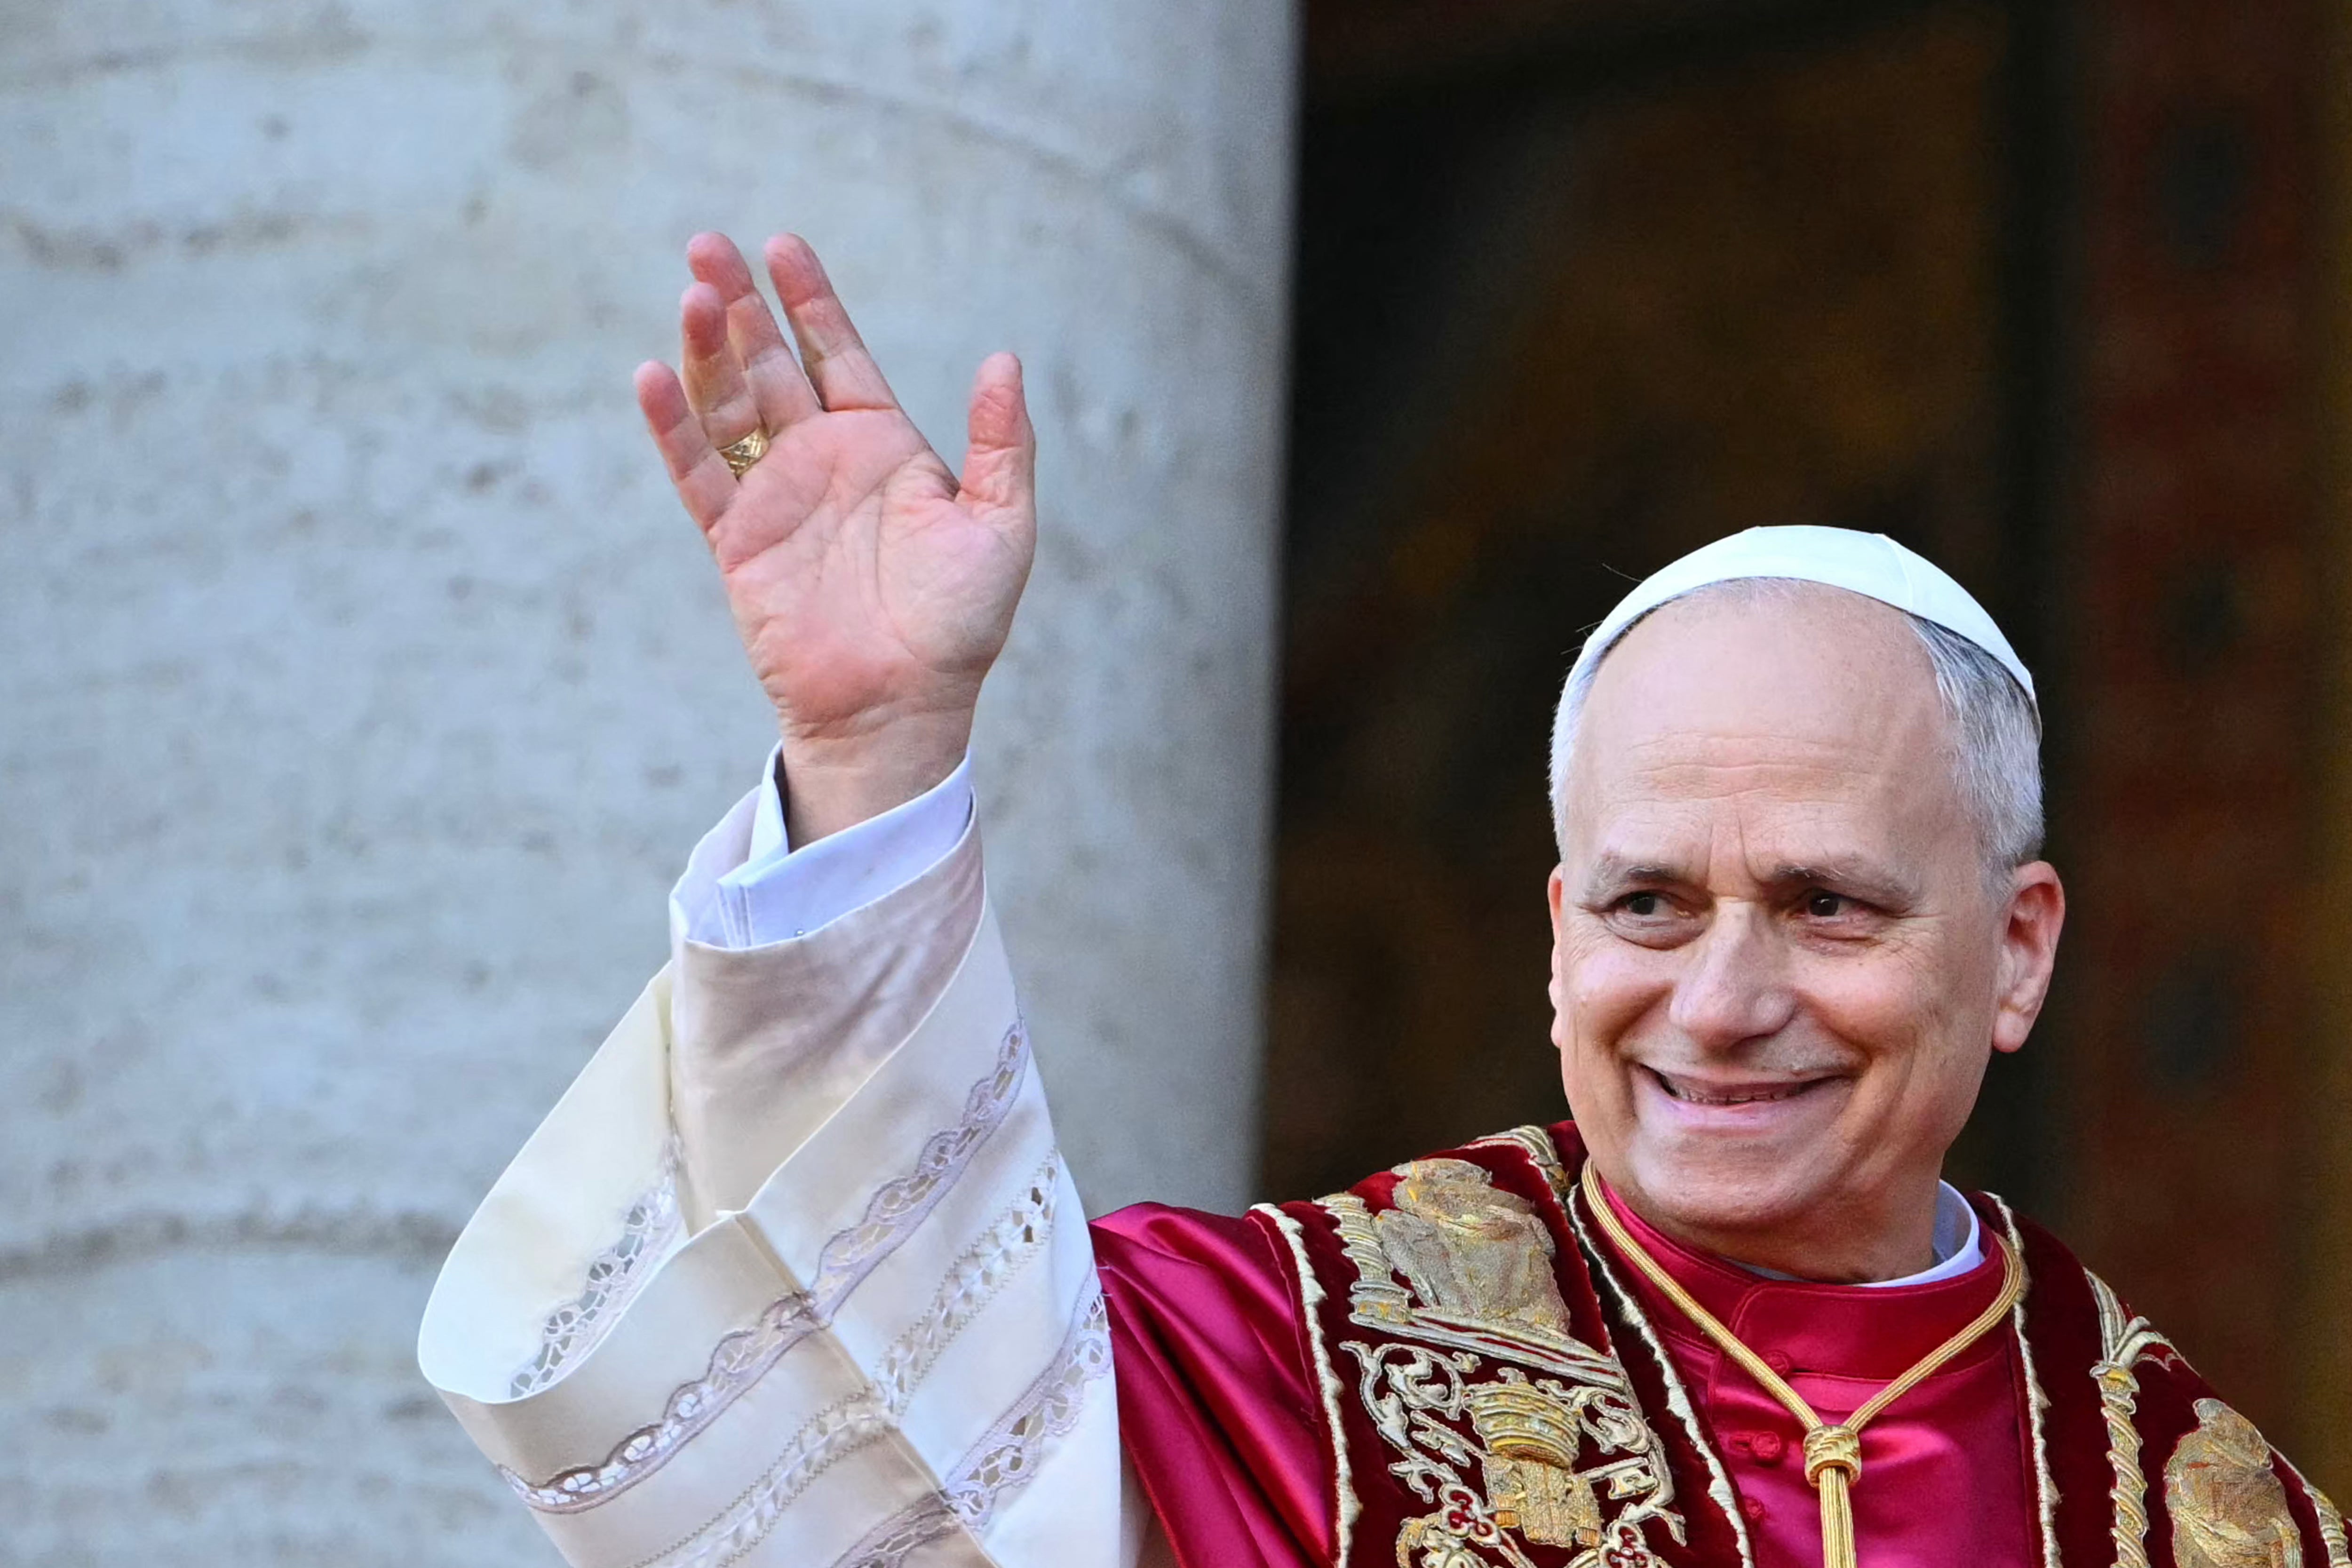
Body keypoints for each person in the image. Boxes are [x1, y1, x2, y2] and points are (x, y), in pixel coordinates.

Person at [416, 233, 2348, 1568]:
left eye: (1826, 905)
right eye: (1648, 906)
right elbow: (875, 1407)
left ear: (2015, 951)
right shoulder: (1280, 1361)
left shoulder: (2200, 1521)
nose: (1720, 1000)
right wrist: (873, 761)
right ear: (1556, 938)